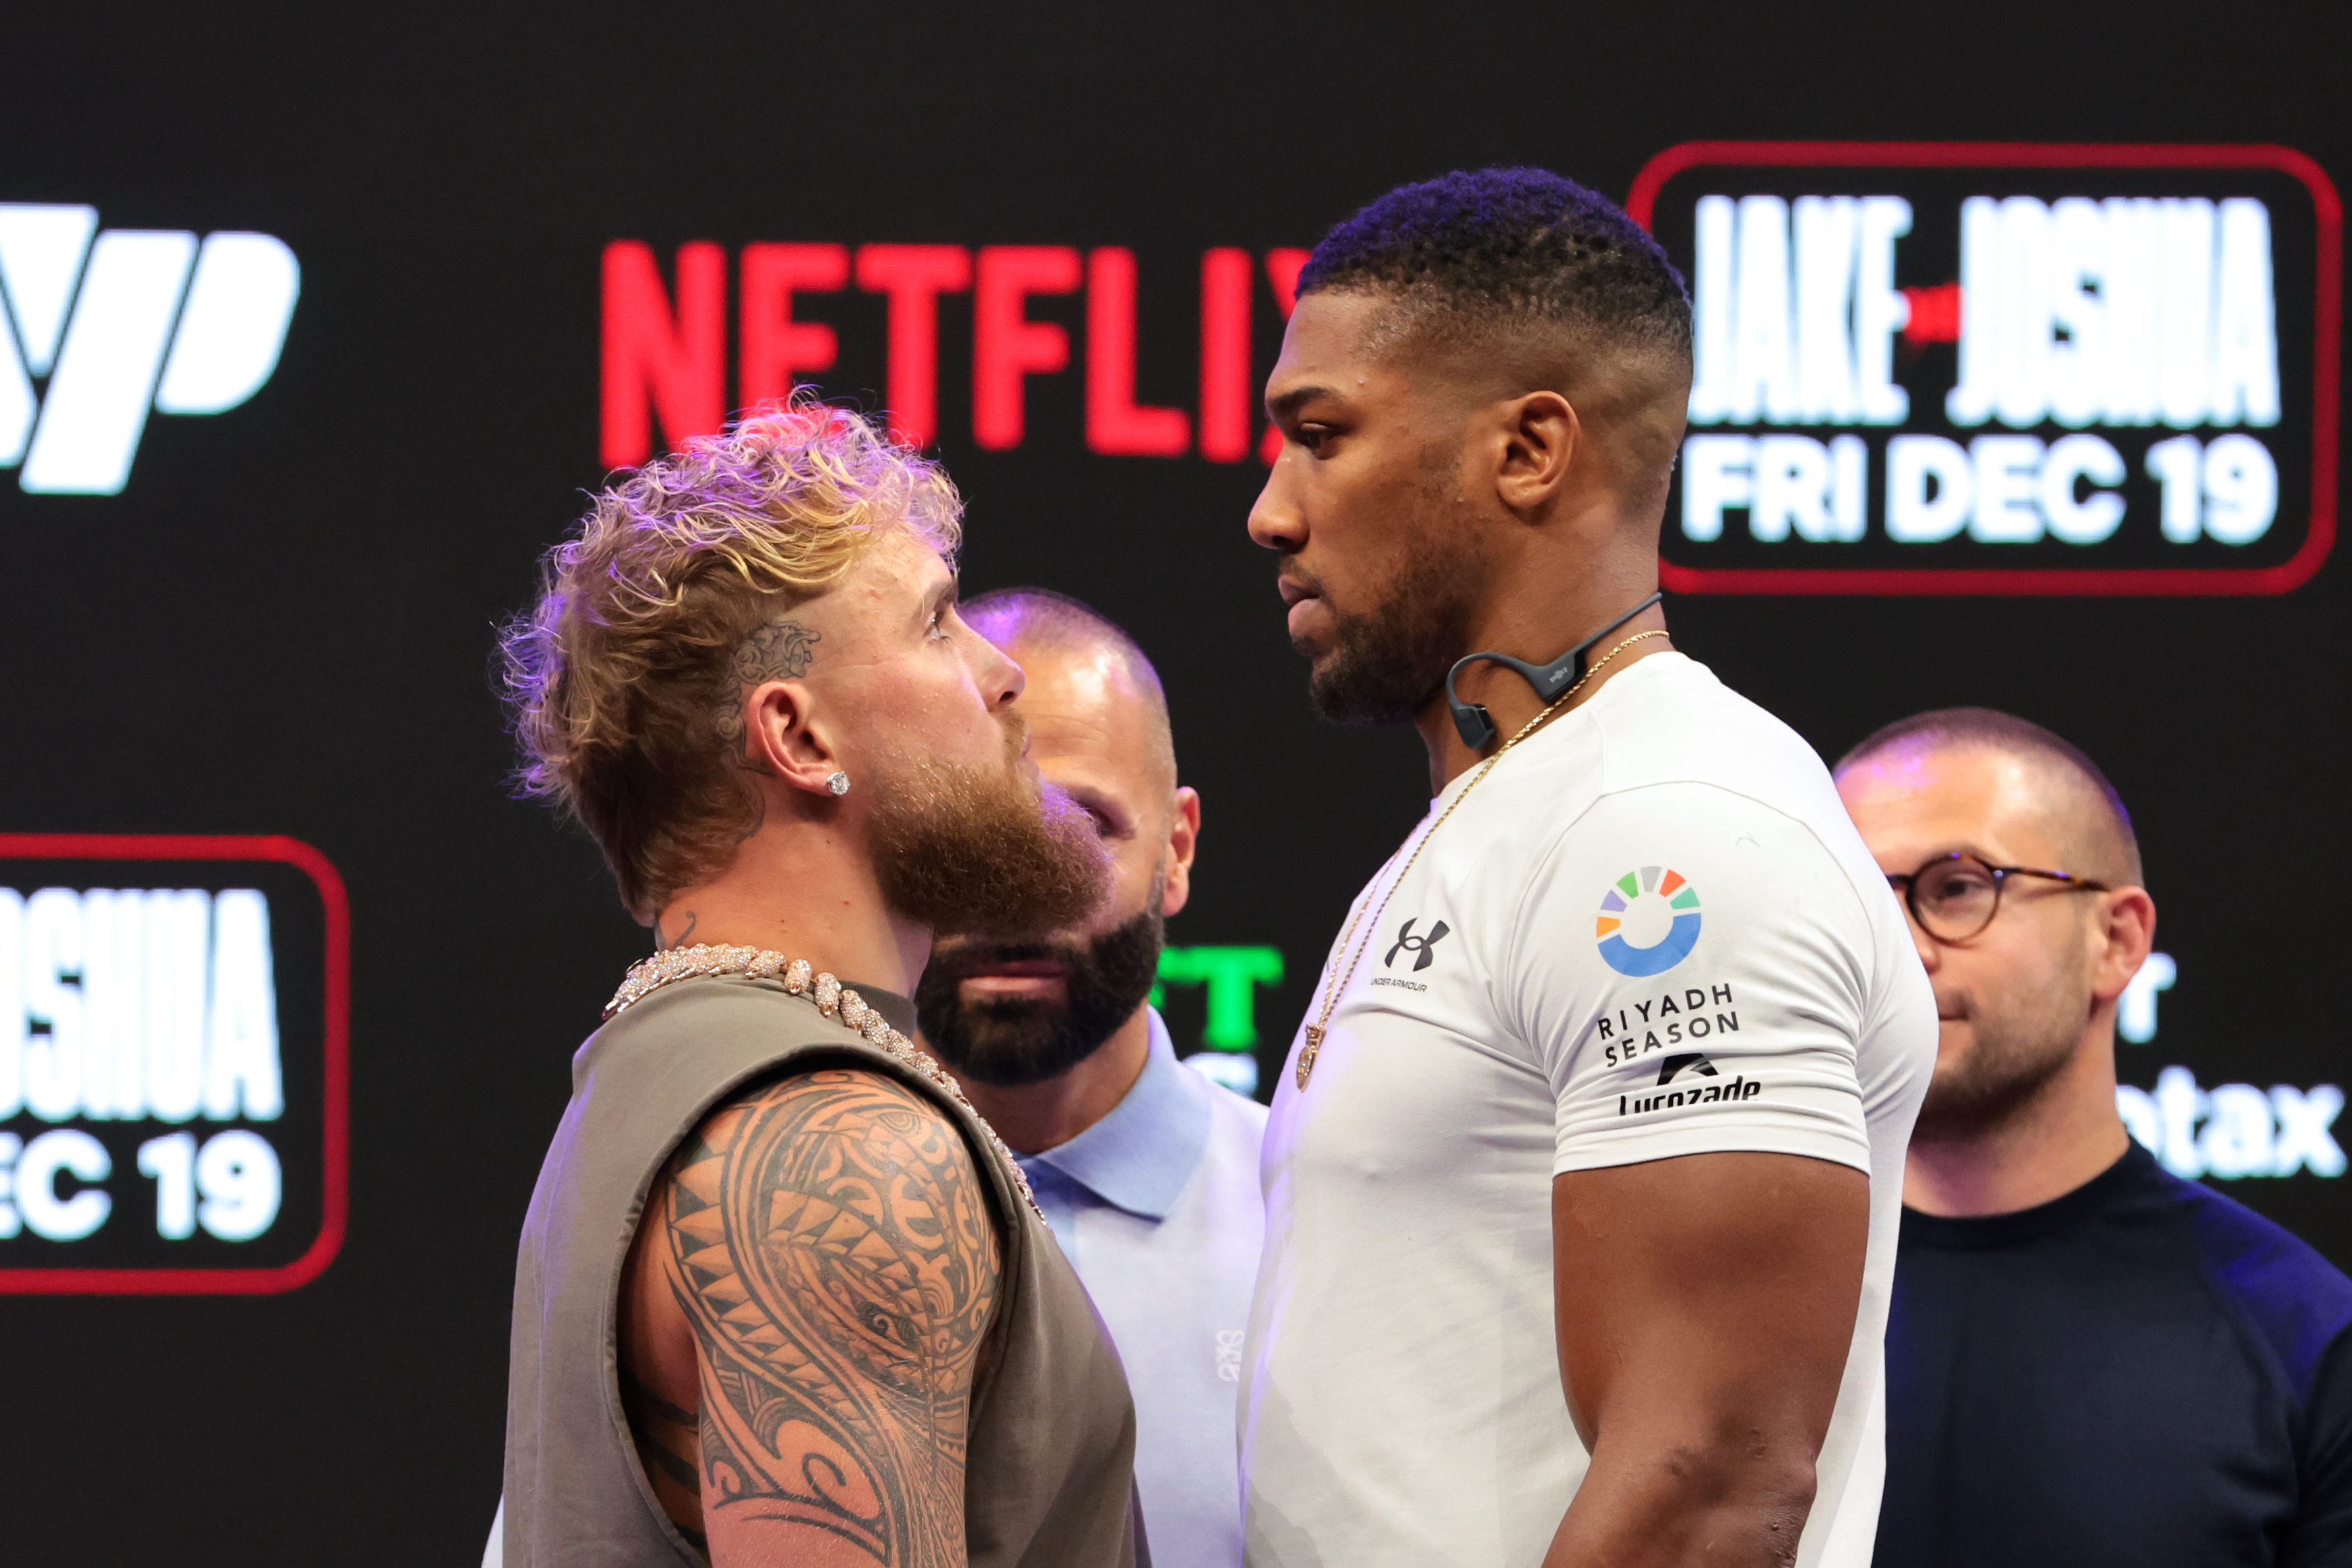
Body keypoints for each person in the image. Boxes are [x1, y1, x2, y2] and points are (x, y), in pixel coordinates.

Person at [1235, 166, 1934, 1568]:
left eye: (1320, 434)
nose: (1270, 509)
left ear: (1529, 450)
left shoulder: (1664, 823)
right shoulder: (1512, 807)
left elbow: (1707, 1489)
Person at [492, 400, 1145, 1568]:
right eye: (939, 624)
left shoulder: (665, 1075)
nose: (1003, 677)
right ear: (797, 736)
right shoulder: (835, 1145)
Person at [1835, 708, 2352, 1567]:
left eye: (1957, 886)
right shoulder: (1722, 1307)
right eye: (1854, 897)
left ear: (2117, 940)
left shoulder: (2302, 1336)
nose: (1896, 950)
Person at [917, 586, 1265, 1568]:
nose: (1019, 890)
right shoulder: (756, 1220)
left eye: (1082, 823)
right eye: (965, 829)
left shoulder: (1322, 1218)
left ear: (1177, 847)